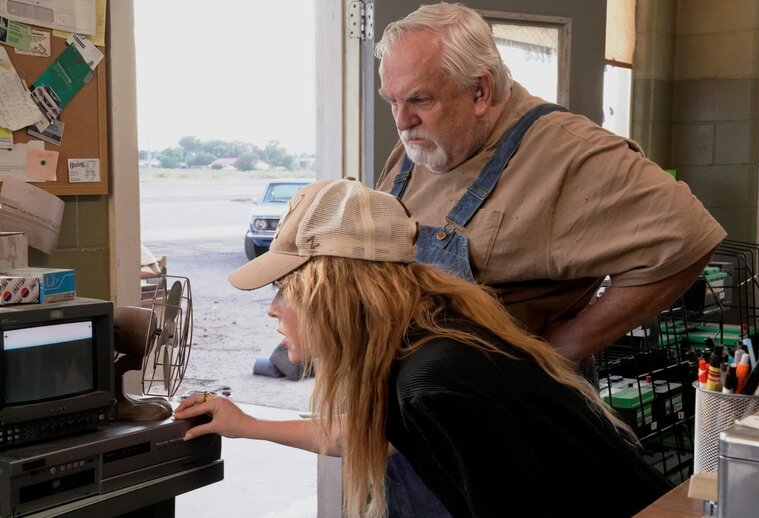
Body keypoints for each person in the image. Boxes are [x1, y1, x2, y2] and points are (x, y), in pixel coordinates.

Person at [373, 3, 726, 515]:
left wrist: (565, 346)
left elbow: (687, 236)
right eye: (393, 101)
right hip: (418, 425)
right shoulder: (421, 145)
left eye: (420, 100)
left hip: (503, 435)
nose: (403, 121)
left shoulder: (566, 151)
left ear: (480, 91)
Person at [175, 178, 672, 518]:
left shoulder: (436, 382)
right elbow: (367, 434)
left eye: (287, 290)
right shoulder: (425, 344)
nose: (274, 310)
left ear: (338, 294)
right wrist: (246, 425)